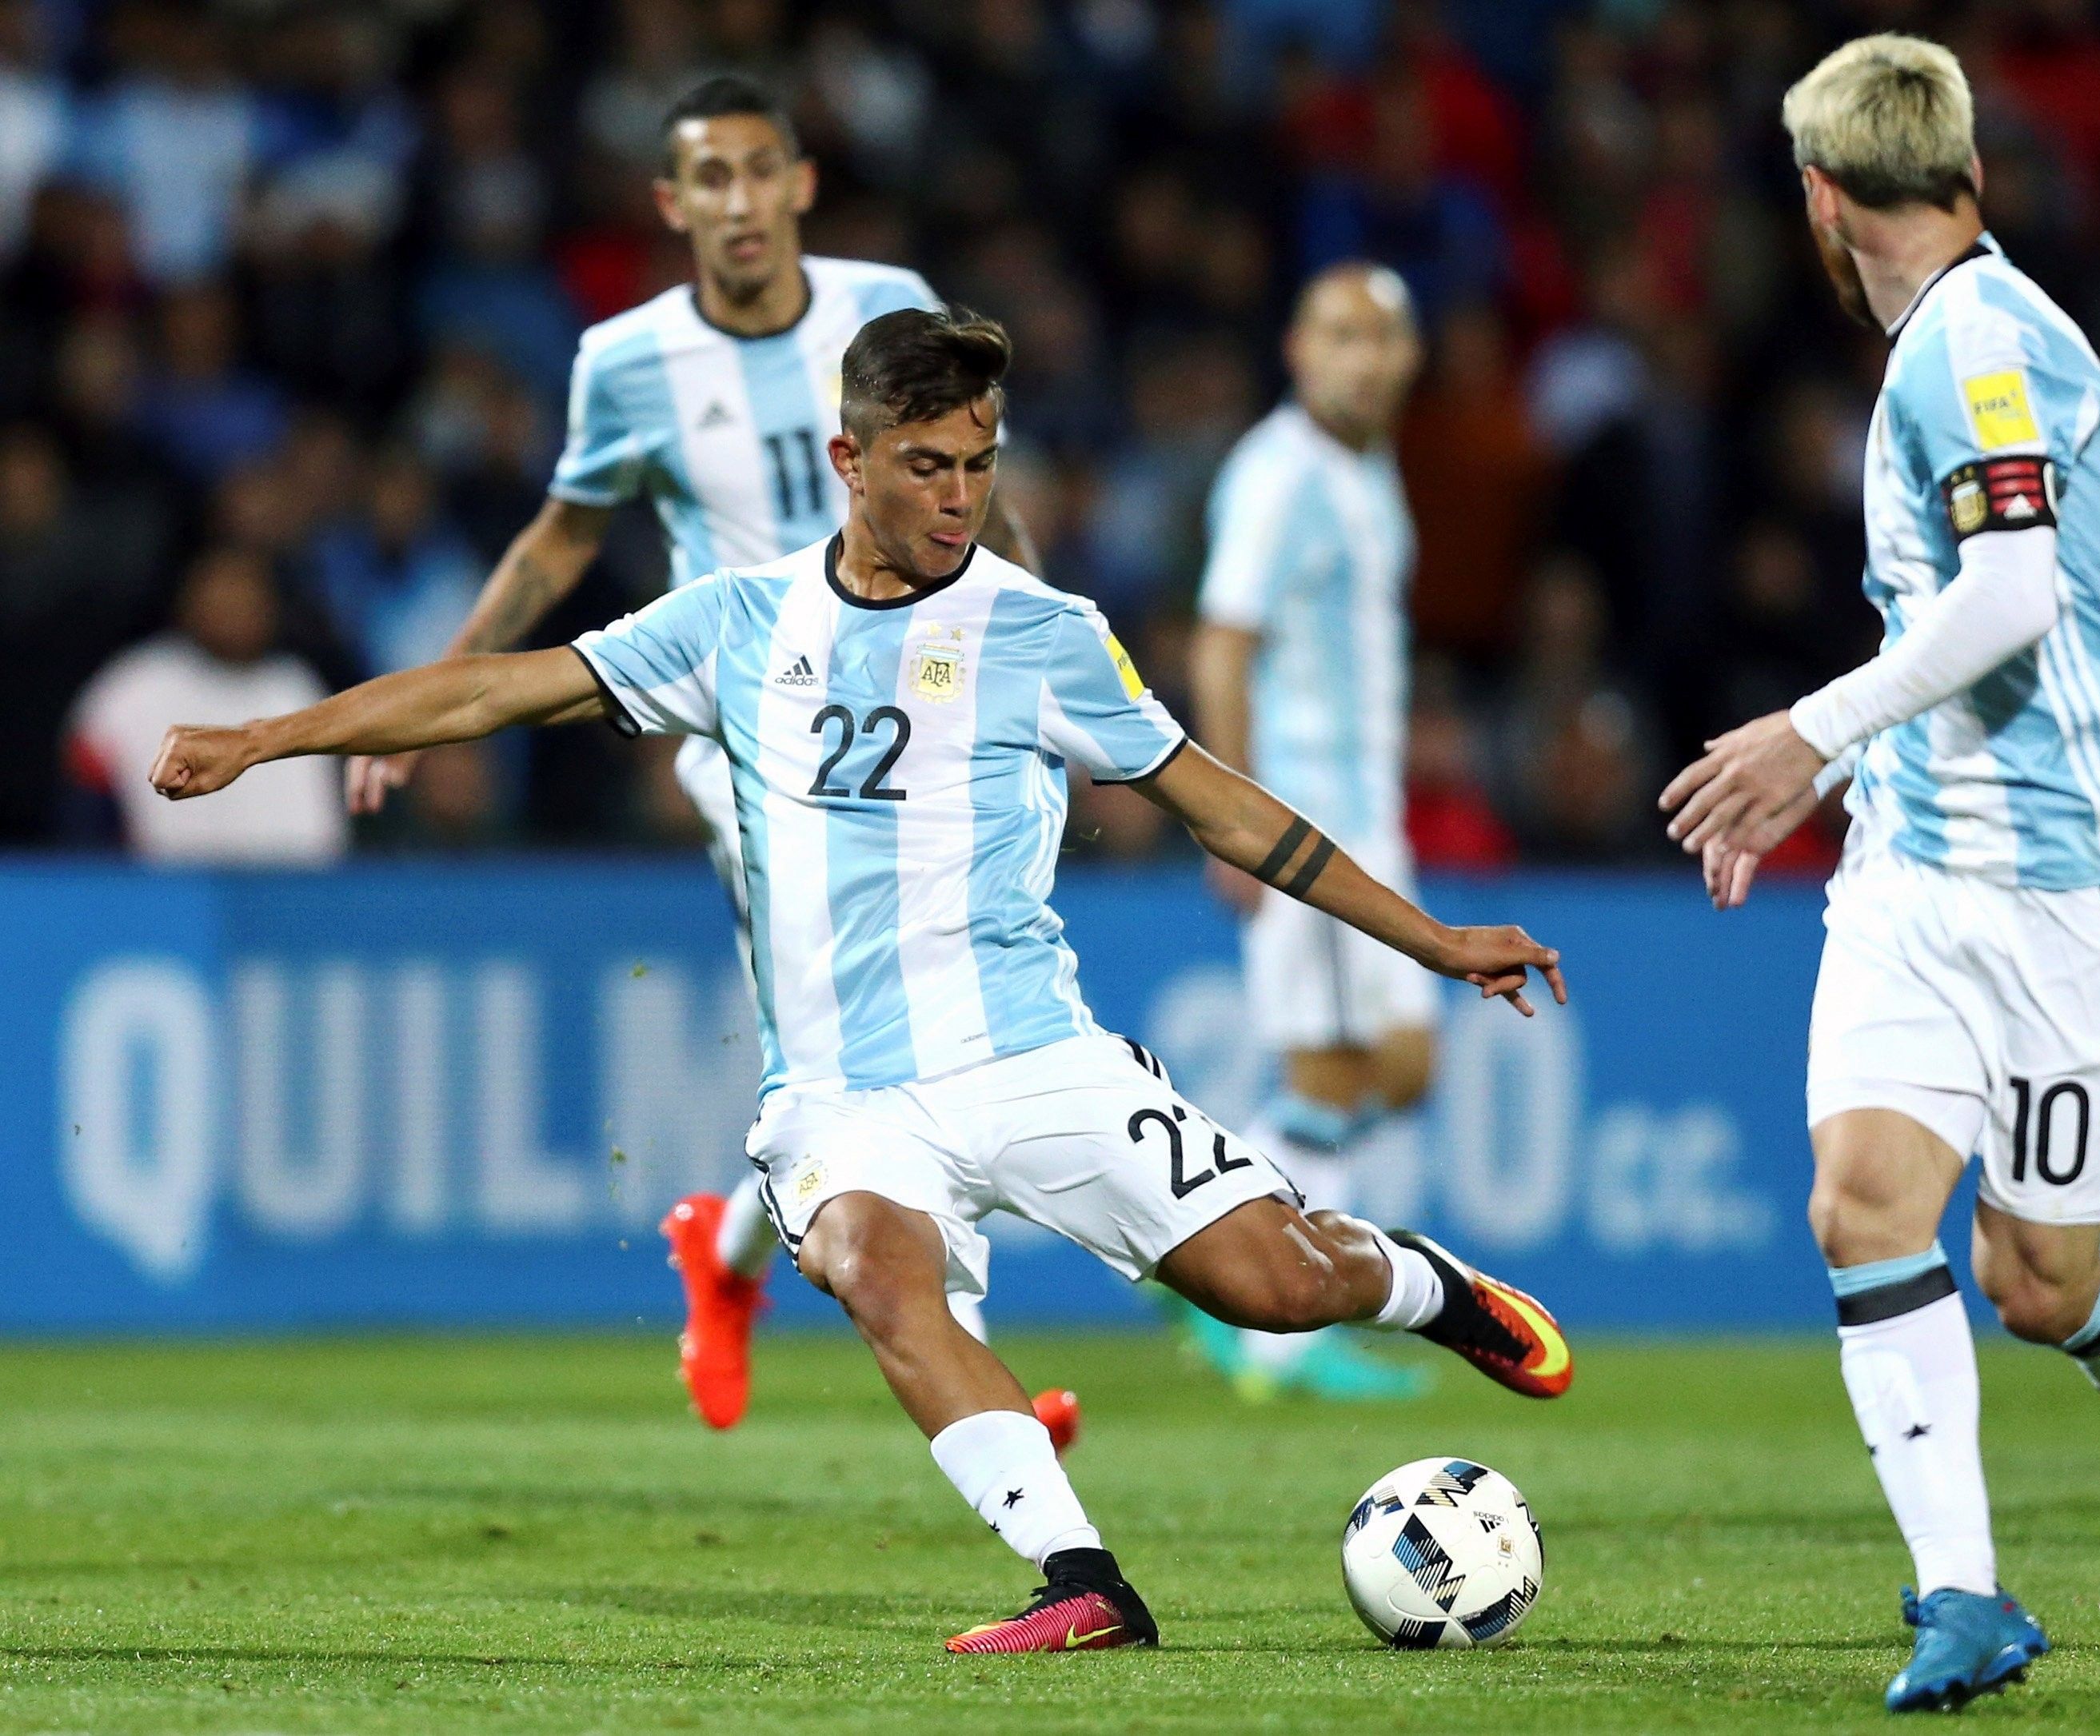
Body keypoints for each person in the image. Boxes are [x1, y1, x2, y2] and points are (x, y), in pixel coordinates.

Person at [148, 306, 1575, 1655]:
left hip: (1032, 1053)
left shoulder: (1044, 629)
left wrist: (1434, 940)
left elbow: (1227, 811)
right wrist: (266, 738)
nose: (960, 497)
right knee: (877, 1272)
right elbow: (489, 689)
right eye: (927, 464)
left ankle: (1427, 1287)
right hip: (843, 1095)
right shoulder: (736, 621)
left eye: (979, 463)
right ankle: (1084, 1583)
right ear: (849, 457)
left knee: (1277, 1284)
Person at [1656, 36, 2100, 1713]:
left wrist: (1801, 731)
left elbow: (2015, 593)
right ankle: (1962, 1599)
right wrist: (1836, 768)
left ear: (1819, 200)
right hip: (1913, 864)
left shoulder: (1979, 343)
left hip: (2074, 887)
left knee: (2034, 1280)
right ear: (1964, 169)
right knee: (1858, 1204)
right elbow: (1974, 615)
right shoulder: (1953, 343)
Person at [346, 75, 1036, 1435]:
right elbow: (561, 537)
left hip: (918, 706)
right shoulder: (629, 360)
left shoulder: (883, 304)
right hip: (751, 728)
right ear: (672, 204)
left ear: (800, 184)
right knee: (864, 1026)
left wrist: (1045, 641)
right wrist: (434, 697)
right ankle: (966, 1358)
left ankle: (724, 1260)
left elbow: (973, 491)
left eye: (758, 170)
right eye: (709, 179)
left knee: (914, 1015)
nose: (738, 200)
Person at [1185, 261, 1439, 1402]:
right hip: (1308, 819)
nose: (1362, 357)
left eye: (1381, 336)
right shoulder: (1277, 472)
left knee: (1406, 1065)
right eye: (1339, 334)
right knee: (1329, 1068)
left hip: (1371, 815)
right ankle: (1283, 1332)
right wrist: (1234, 814)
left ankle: (1192, 1223)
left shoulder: (1365, 466)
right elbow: (1221, 643)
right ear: (1296, 348)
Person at [66, 545, 343, 864]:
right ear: (187, 604)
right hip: (164, 884)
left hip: (297, 884)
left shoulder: (297, 687)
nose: (234, 611)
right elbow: (84, 808)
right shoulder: (134, 686)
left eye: (247, 598)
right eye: (221, 598)